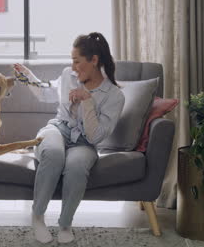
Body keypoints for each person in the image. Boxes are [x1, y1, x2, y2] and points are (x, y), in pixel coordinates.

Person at [13, 32, 125, 244]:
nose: (73, 67)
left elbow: (96, 136)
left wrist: (88, 101)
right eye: (71, 61)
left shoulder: (114, 96)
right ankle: (37, 216)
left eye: (77, 61)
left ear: (94, 60)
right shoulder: (68, 75)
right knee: (54, 153)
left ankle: (65, 224)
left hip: (85, 142)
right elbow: (47, 93)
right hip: (58, 128)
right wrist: (29, 77)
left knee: (76, 165)